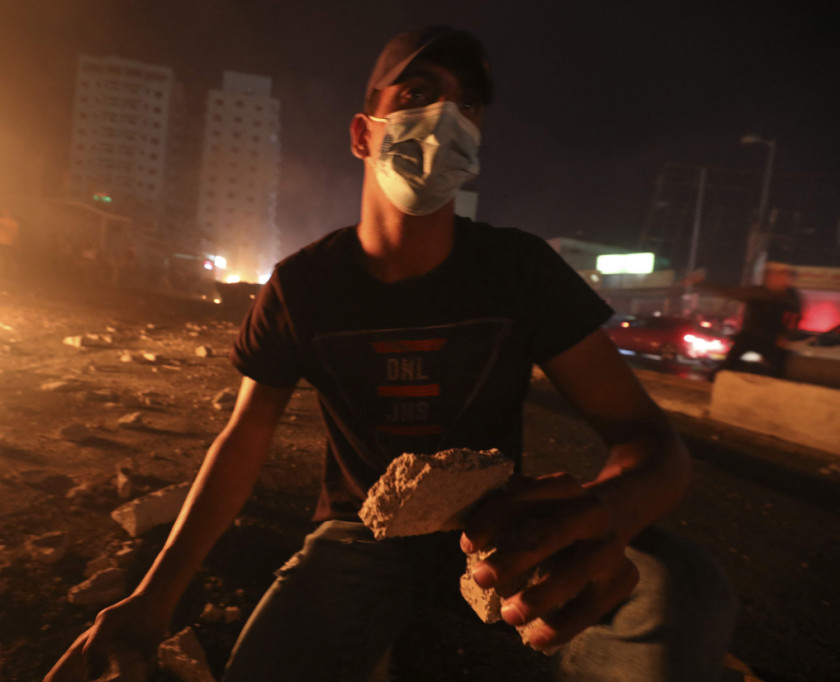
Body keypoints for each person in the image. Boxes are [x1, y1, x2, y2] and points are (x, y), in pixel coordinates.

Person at [46, 26, 736, 682]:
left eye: (467, 106)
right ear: (362, 133)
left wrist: (607, 514)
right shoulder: (303, 287)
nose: (444, 119)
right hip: (359, 534)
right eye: (417, 94)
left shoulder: (520, 272)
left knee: (679, 585)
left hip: (497, 528)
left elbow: (649, 440)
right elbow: (245, 437)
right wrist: (155, 595)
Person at [687, 264, 802, 378]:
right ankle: (714, 380)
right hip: (750, 336)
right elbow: (729, 292)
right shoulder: (758, 292)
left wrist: (785, 336)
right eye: (772, 276)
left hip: (772, 339)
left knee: (778, 368)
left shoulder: (790, 297)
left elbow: (794, 319)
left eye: (779, 276)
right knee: (728, 365)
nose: (774, 279)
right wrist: (700, 283)